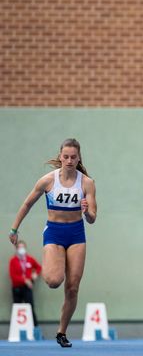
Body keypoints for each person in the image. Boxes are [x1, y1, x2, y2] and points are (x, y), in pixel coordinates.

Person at [8, 138, 97, 348]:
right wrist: (14, 228)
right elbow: (27, 203)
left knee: (73, 287)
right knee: (54, 280)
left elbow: (93, 218)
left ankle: (61, 332)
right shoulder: (48, 180)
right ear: (60, 156)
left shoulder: (87, 183)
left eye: (73, 157)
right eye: (65, 156)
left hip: (76, 234)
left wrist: (86, 212)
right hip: (54, 233)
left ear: (78, 158)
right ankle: (55, 263)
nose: (69, 160)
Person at [8, 240, 42, 326]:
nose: (21, 249)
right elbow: (13, 276)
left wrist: (35, 274)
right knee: (17, 309)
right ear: (16, 249)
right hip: (17, 288)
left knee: (30, 308)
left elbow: (39, 267)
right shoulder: (13, 261)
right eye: (19, 247)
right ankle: (17, 330)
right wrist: (24, 280)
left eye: (23, 247)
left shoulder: (30, 259)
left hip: (27, 288)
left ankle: (35, 331)